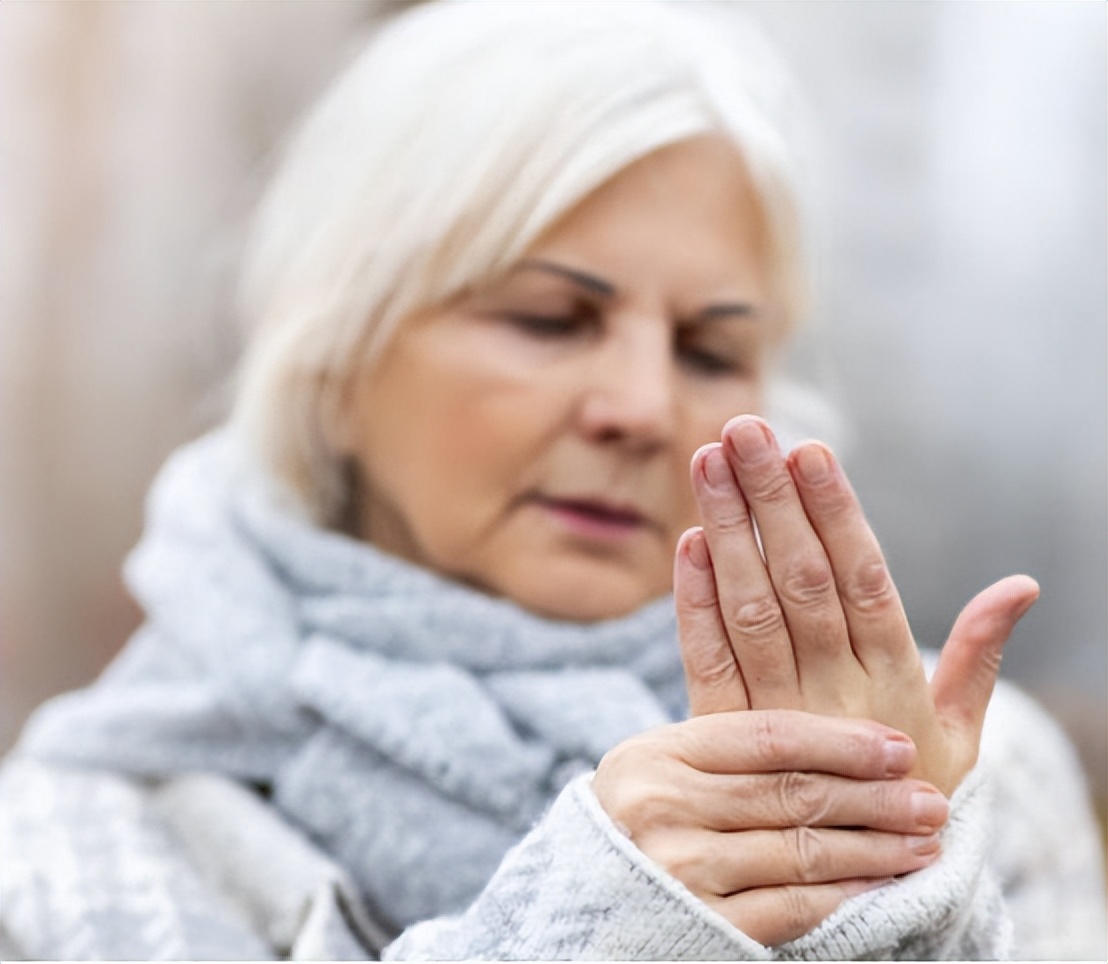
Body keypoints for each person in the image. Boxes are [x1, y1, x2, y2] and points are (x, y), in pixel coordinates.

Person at [0, 2, 1103, 959]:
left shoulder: (948, 777)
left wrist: (885, 910)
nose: (635, 404)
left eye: (708, 350)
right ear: (334, 358)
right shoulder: (90, 833)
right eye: (547, 319)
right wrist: (595, 924)